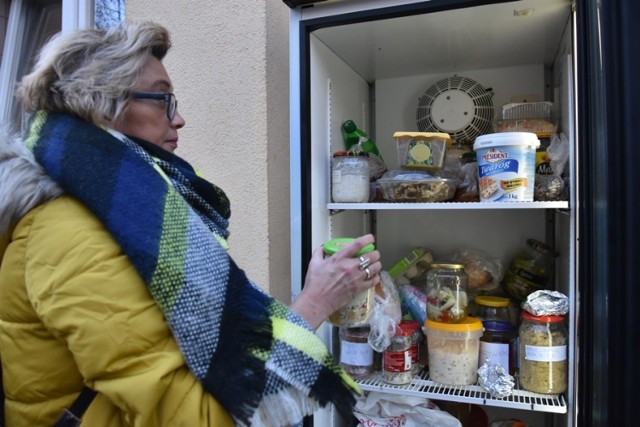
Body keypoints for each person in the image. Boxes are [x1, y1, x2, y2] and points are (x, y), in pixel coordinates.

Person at [0, 21, 381, 426]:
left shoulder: (123, 212)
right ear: (101, 105)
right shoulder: (71, 231)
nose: (179, 118)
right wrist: (316, 302)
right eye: (162, 99)